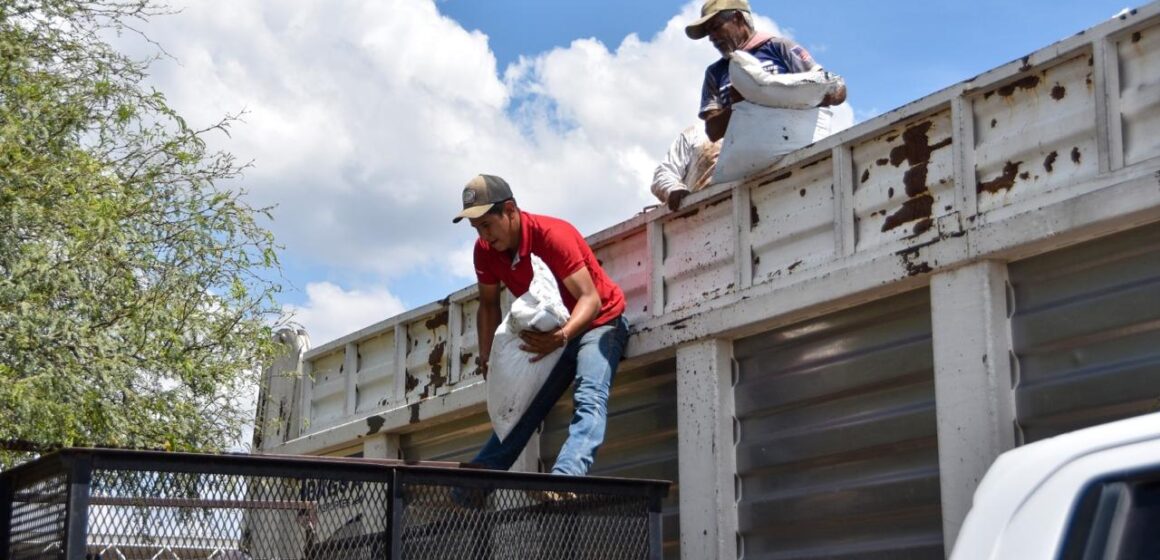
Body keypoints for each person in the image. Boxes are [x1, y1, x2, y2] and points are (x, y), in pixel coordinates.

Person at [453, 174, 629, 476]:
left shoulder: (551, 235)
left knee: (589, 397)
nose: (483, 236)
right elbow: (489, 303)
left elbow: (591, 300)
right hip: (554, 333)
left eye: (486, 225)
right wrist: (488, 355)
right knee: (520, 405)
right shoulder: (484, 250)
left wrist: (561, 337)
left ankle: (566, 478)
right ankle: (472, 487)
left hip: (600, 323)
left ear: (509, 210)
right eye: (476, 229)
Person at [686, 0, 847, 142]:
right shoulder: (715, 73)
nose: (711, 37)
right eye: (708, 32)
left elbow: (832, 91)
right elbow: (712, 131)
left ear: (738, 18)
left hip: (797, 150)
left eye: (715, 27)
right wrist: (738, 105)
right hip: (747, 163)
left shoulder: (779, 47)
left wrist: (779, 94)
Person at [651, 124, 722, 211]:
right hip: (699, 211)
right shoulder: (697, 133)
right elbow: (665, 172)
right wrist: (673, 188)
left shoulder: (742, 133)